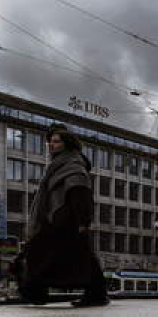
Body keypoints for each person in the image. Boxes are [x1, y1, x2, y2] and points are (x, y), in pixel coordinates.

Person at [20, 124, 108, 307]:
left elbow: (80, 192)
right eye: (50, 142)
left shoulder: (73, 164)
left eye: (56, 142)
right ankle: (37, 293)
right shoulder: (57, 165)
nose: (51, 145)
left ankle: (36, 293)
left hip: (67, 218)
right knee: (74, 255)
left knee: (42, 252)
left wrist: (83, 221)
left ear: (68, 144)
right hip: (56, 216)